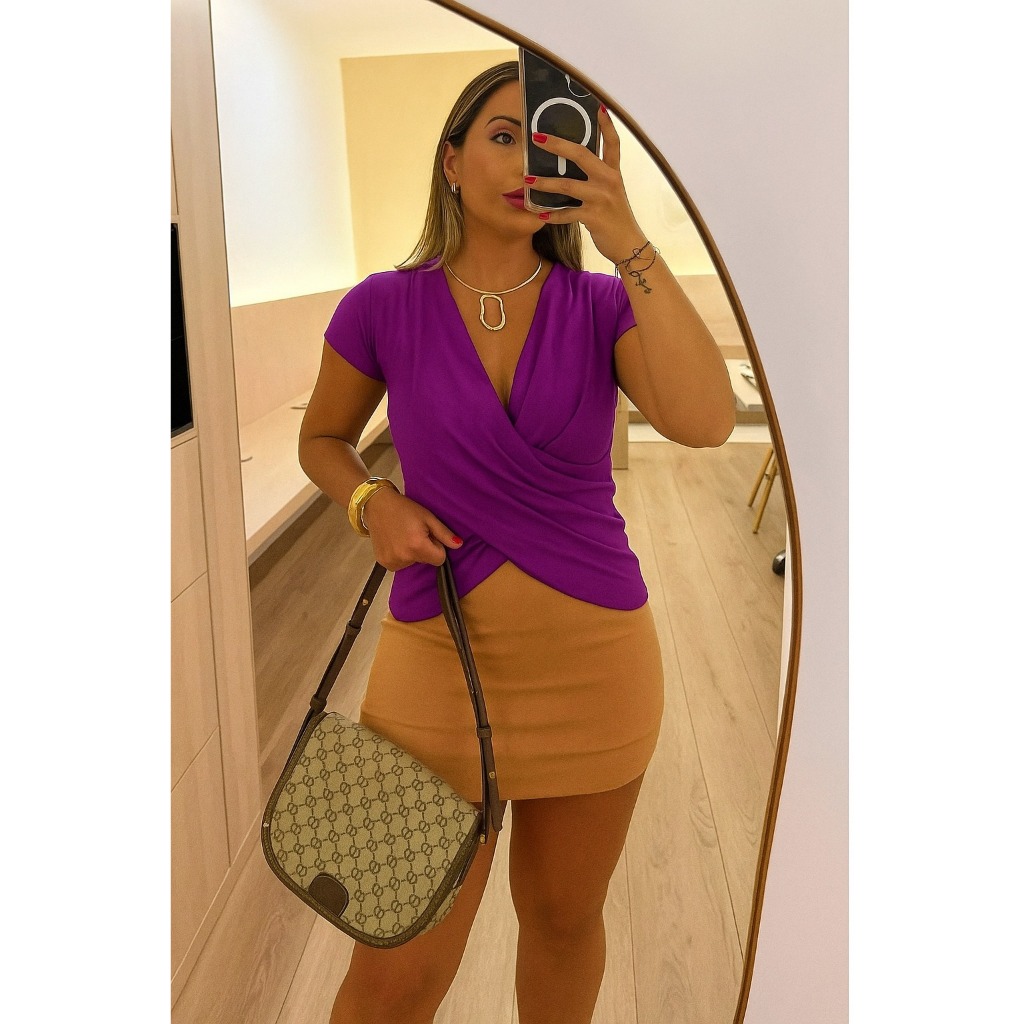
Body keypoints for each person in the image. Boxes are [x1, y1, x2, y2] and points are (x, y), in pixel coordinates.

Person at [298, 60, 735, 1024]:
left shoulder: (602, 305)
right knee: (396, 959)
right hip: (433, 664)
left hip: (596, 669)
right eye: (503, 138)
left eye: (550, 145)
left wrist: (627, 238)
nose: (527, 163)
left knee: (564, 923)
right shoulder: (381, 305)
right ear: (451, 162)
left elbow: (706, 421)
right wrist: (371, 501)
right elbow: (322, 438)